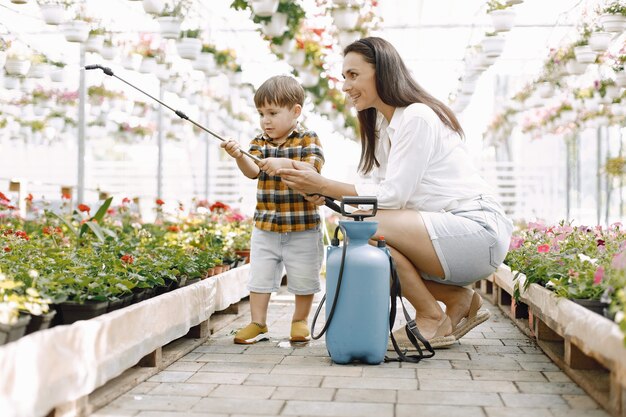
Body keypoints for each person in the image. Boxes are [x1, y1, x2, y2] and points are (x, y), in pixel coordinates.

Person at [277, 37, 513, 349]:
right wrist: (323, 192)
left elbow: (393, 197)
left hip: (477, 231)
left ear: (383, 72)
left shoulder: (416, 116)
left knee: (366, 229)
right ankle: (459, 301)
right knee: (360, 239)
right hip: (444, 235)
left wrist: (322, 184)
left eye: (353, 75)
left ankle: (431, 316)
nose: (345, 86)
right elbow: (372, 194)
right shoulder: (382, 127)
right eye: (344, 77)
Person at [220, 75, 325, 345]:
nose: (265, 120)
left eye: (273, 113)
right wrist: (240, 156)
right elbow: (253, 171)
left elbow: (312, 169)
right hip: (266, 226)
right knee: (260, 276)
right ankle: (258, 322)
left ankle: (299, 320)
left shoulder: (307, 139)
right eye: (261, 114)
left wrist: (280, 163)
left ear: (295, 111)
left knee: (303, 276)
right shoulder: (259, 142)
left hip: (302, 226)